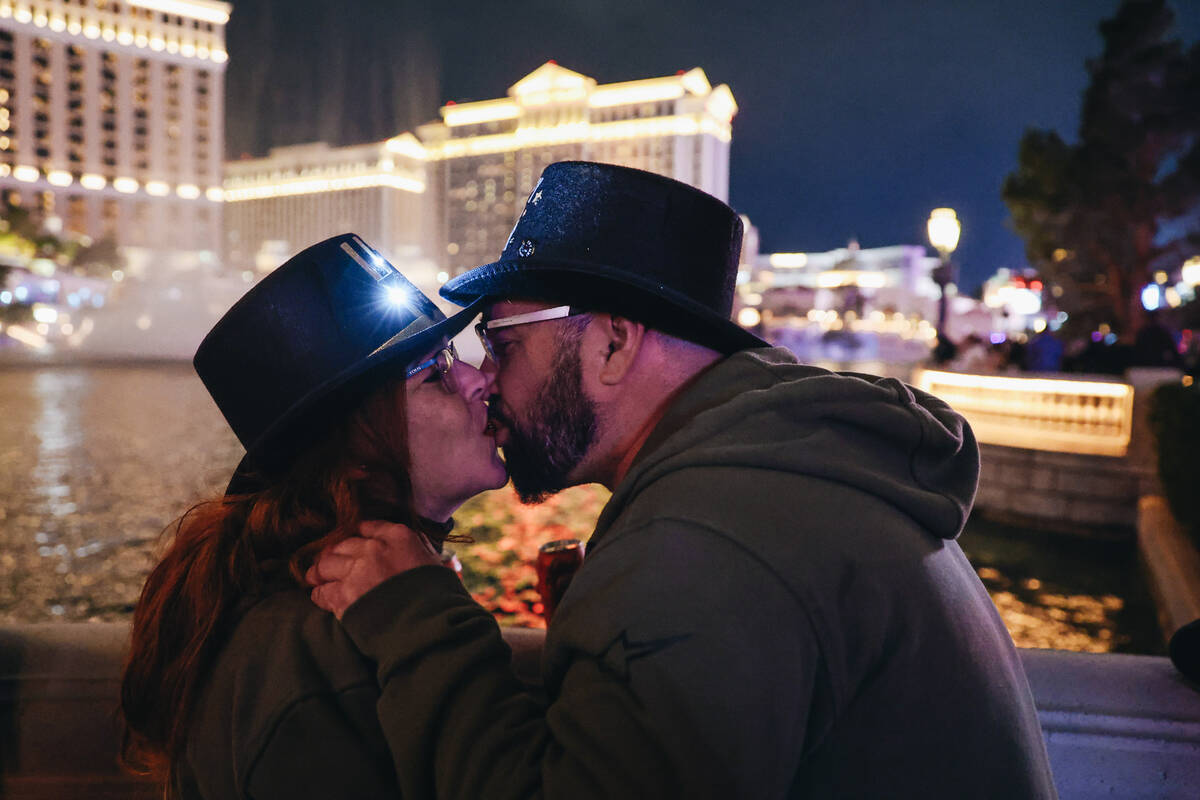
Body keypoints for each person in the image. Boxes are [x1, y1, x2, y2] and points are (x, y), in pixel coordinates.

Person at [308, 163, 1058, 798]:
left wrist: (414, 616)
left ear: (611, 342)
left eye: (501, 340)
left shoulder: (705, 543)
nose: (484, 376)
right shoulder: (774, 470)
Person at [119, 234, 509, 799]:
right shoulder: (316, 656)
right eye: (435, 374)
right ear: (351, 454)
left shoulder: (363, 603)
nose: (477, 380)